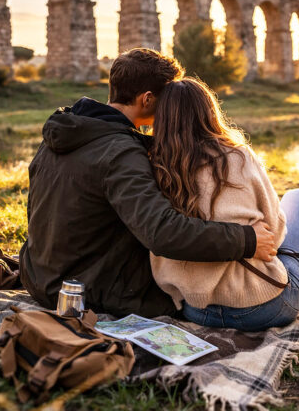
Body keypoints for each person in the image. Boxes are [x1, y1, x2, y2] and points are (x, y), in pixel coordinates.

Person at [19, 49, 275, 318]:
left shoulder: (65, 131)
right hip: (92, 292)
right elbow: (162, 231)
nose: (171, 108)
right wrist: (247, 239)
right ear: (148, 99)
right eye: (167, 99)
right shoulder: (120, 153)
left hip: (40, 279)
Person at [149, 78, 299, 331]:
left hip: (195, 309)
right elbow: (275, 233)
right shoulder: (236, 155)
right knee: (298, 197)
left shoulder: (155, 165)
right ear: (209, 112)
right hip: (264, 308)